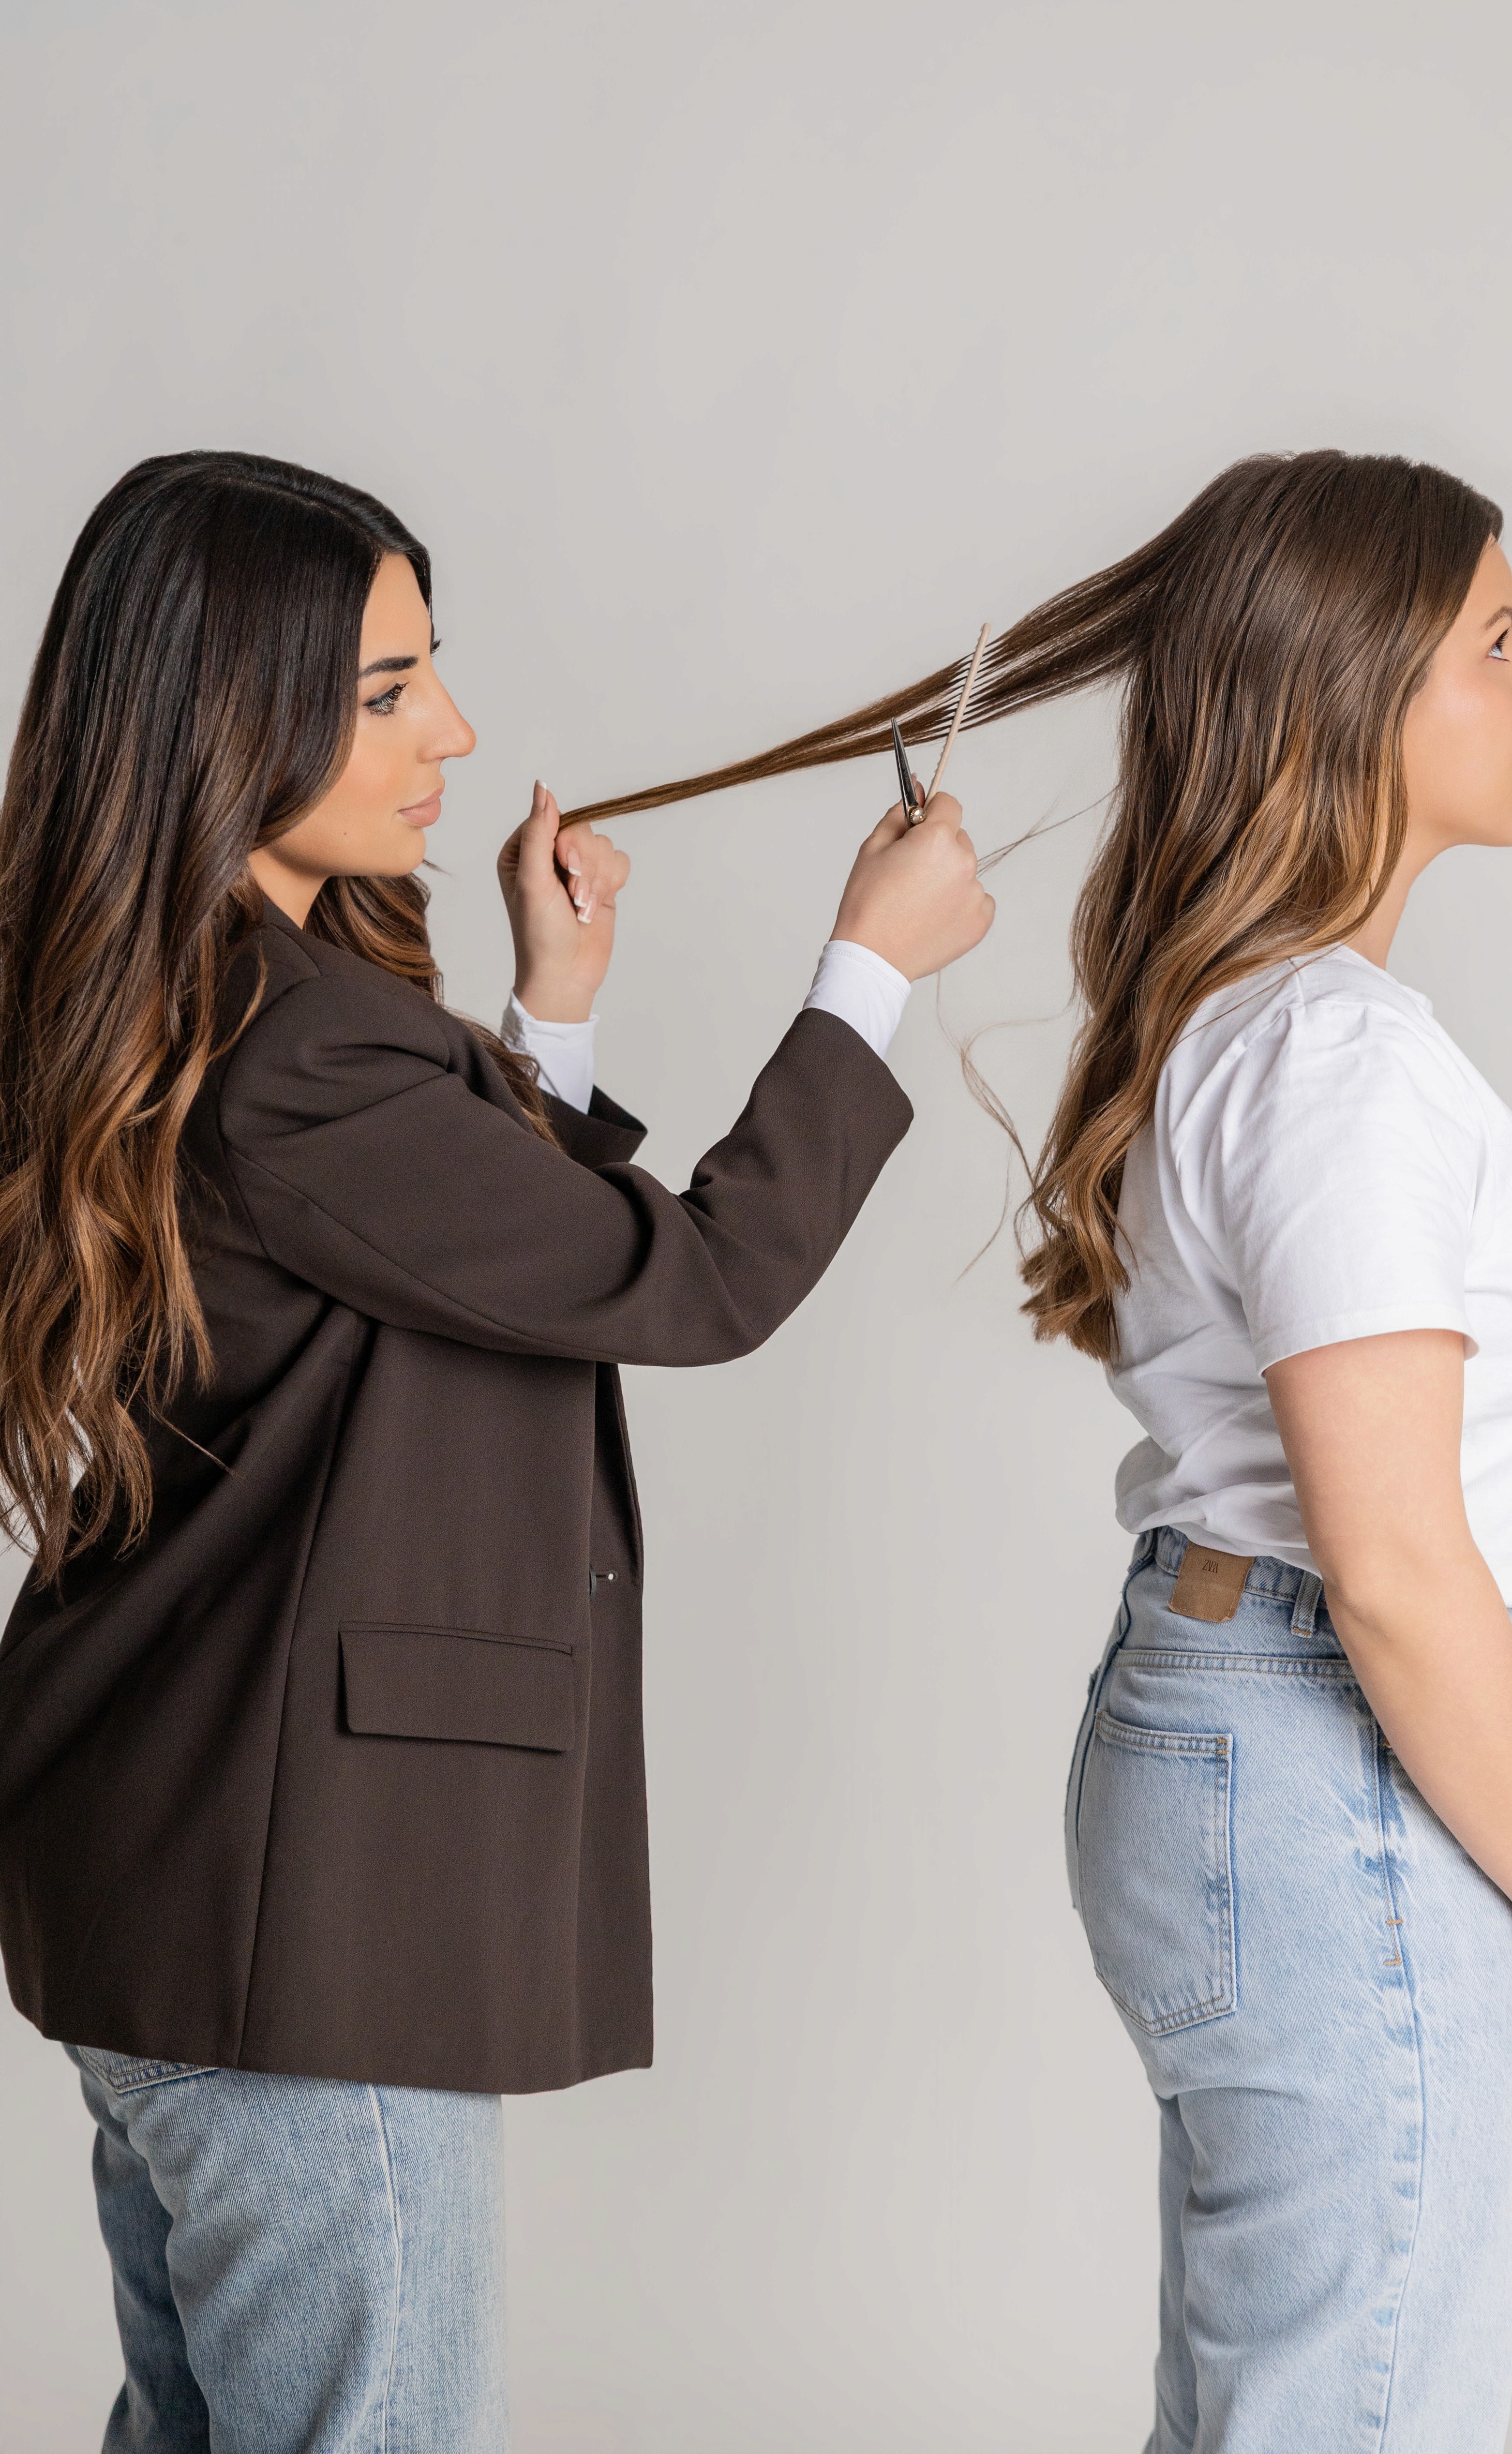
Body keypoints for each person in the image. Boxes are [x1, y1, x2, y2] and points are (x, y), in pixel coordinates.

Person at [579, 449, 1512, 2452]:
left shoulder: (1266, 1029)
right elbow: (1406, 1566)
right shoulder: (1335, 1057)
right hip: (1349, 1761)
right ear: (1355, 696)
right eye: (1501, 642)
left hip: (1274, 1749)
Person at [0, 449, 994, 2452]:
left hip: (181, 1886)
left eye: (429, 671)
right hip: (307, 1942)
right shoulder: (304, 1049)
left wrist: (551, 1019)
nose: (451, 729)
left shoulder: (214, 1003)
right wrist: (869, 974)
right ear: (224, 709)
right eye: (383, 691)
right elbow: (695, 1280)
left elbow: (448, 1271)